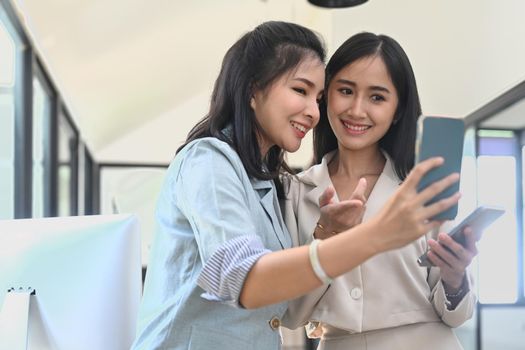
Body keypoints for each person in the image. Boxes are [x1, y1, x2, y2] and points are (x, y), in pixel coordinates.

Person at [131, 22, 460, 350]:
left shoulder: (263, 186)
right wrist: (373, 235)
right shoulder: (210, 161)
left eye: (317, 97)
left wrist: (328, 233)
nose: (313, 112)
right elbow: (243, 279)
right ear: (252, 89)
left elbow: (272, 301)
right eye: (301, 91)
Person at [281, 32, 477, 350]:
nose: (357, 110)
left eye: (377, 97)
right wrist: (326, 236)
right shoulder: (295, 192)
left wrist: (455, 278)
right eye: (346, 91)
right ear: (325, 95)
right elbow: (290, 313)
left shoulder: (421, 187)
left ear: (398, 109)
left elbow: (456, 314)